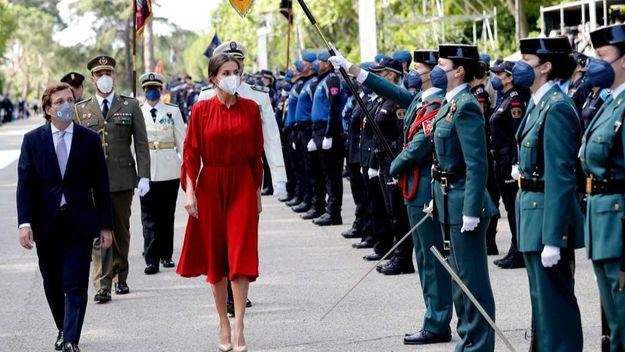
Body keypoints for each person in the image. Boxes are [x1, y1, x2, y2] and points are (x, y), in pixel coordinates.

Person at [17, 83, 113, 352]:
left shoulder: (89, 139)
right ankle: (63, 327)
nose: (66, 105)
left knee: (75, 281)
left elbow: (101, 186)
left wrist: (105, 225)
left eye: (70, 99)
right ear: (48, 109)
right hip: (46, 223)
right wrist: (24, 223)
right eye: (59, 102)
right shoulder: (33, 140)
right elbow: (25, 186)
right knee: (52, 282)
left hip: (78, 222)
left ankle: (71, 339)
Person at [177, 53, 263, 352]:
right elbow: (190, 156)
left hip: (242, 185)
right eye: (226, 71)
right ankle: (222, 323)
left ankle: (239, 324)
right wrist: (189, 193)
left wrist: (257, 193)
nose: (232, 76)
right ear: (213, 77)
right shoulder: (200, 110)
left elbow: (256, 155)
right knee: (217, 258)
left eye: (236, 71)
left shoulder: (251, 108)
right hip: (210, 186)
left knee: (240, 255)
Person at [512, 37, 584, 351]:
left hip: (546, 218)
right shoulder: (538, 102)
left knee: (555, 303)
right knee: (541, 301)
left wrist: (554, 237)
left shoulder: (556, 107)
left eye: (526, 59)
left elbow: (560, 176)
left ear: (546, 66)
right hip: (531, 212)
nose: (519, 66)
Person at [430, 44, 498, 351]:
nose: (437, 69)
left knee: (472, 283)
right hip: (448, 200)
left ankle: (479, 345)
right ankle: (468, 340)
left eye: (442, 64)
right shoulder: (449, 103)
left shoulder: (467, 105)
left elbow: (477, 162)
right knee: (458, 281)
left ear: (459, 71)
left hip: (464, 203)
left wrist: (472, 210)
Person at [74, 55, 151, 303]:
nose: (104, 77)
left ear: (114, 76)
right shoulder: (81, 110)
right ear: (92, 78)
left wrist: (144, 176)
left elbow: (140, 144)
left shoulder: (129, 106)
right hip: (92, 181)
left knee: (120, 230)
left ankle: (121, 274)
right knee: (98, 232)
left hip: (122, 178)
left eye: (108, 72)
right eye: (99, 74)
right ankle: (102, 283)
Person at [580, 23, 625, 351]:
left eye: (602, 56)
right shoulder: (609, 103)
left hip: (619, 221)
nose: (595, 64)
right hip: (602, 219)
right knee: (612, 314)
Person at [198, 41, 287, 200]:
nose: (235, 66)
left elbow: (271, 137)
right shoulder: (206, 96)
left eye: (238, 61)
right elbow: (197, 142)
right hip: (215, 174)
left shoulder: (259, 96)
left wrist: (278, 176)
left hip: (246, 171)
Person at [138, 72, 186, 275]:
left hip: (169, 169)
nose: (151, 91)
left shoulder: (172, 111)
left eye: (155, 88)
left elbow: (182, 140)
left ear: (161, 90)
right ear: (143, 91)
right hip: (146, 170)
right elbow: (133, 144)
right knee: (149, 217)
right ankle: (151, 259)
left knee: (167, 215)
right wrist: (136, 172)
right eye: (148, 88)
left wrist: (188, 167)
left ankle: (166, 254)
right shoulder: (137, 112)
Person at [488, 60, 528, 269]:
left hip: (507, 160)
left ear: (510, 77)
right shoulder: (504, 99)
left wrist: (516, 162)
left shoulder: (515, 101)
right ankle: (515, 247)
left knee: (513, 207)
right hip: (499, 159)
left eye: (500, 74)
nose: (496, 77)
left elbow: (517, 134)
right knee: (509, 206)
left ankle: (519, 250)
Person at [309, 51, 344, 226]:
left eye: (321, 61)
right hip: (318, 131)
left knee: (332, 174)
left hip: (327, 130)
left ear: (328, 64)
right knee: (324, 172)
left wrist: (329, 134)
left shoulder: (332, 80)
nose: (317, 63)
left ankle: (333, 212)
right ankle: (327, 209)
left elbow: (334, 107)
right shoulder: (322, 80)